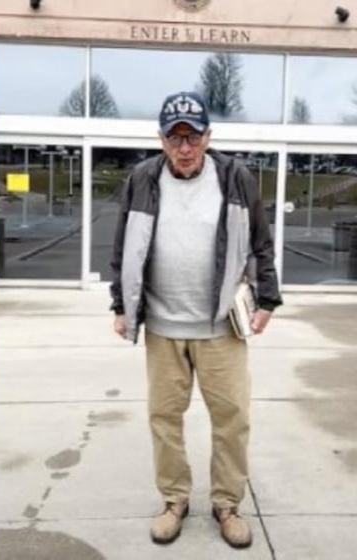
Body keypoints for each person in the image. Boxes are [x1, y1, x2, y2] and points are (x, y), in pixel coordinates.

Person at [109, 91, 283, 549]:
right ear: (161, 138)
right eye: (174, 137)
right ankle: (174, 500)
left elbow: (261, 242)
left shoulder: (235, 178)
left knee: (232, 418)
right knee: (164, 418)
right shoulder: (142, 178)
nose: (184, 147)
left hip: (221, 326)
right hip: (163, 328)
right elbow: (123, 244)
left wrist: (267, 298)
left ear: (208, 136)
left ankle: (227, 504)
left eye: (192, 137)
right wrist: (120, 305)